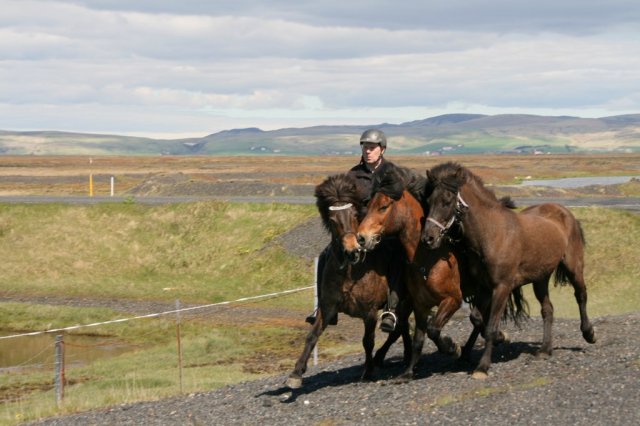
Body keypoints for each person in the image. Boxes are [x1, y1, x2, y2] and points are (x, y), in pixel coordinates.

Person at [306, 128, 404, 333]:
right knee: (325, 255)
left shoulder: (392, 173)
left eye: (372, 147)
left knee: (397, 257)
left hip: (382, 231)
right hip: (356, 229)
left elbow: (397, 198)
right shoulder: (353, 175)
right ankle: (323, 308)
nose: (368, 151)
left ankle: (391, 309)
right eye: (365, 147)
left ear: (382, 149)